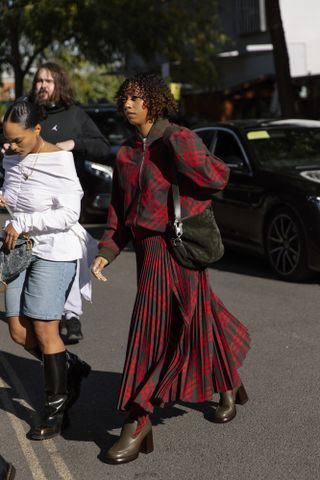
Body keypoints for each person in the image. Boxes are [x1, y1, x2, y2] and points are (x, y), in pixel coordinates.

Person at [91, 73, 251, 464]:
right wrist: (108, 250)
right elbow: (118, 210)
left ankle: (138, 417)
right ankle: (229, 383)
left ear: (155, 102)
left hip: (178, 247)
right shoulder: (126, 153)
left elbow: (217, 178)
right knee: (198, 320)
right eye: (124, 97)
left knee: (155, 330)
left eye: (136, 97)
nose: (127, 104)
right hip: (148, 253)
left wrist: (178, 142)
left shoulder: (176, 139)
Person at [1, 100, 94, 440]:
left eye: (17, 140)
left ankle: (54, 411)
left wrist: (24, 220)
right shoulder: (12, 157)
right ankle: (70, 366)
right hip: (18, 248)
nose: (10, 146)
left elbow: (69, 214)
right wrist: (3, 198)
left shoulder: (61, 160)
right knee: (18, 332)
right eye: (7, 140)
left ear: (37, 130)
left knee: (43, 327)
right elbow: (14, 195)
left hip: (55, 250)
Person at [27, 61, 110, 344]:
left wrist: (72, 143)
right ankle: (41, 311)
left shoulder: (74, 115)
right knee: (35, 255)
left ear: (59, 84)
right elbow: (8, 136)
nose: (42, 86)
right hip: (31, 199)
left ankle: (71, 314)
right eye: (39, 80)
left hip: (66, 201)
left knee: (71, 255)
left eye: (48, 81)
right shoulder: (26, 111)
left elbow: (102, 145)